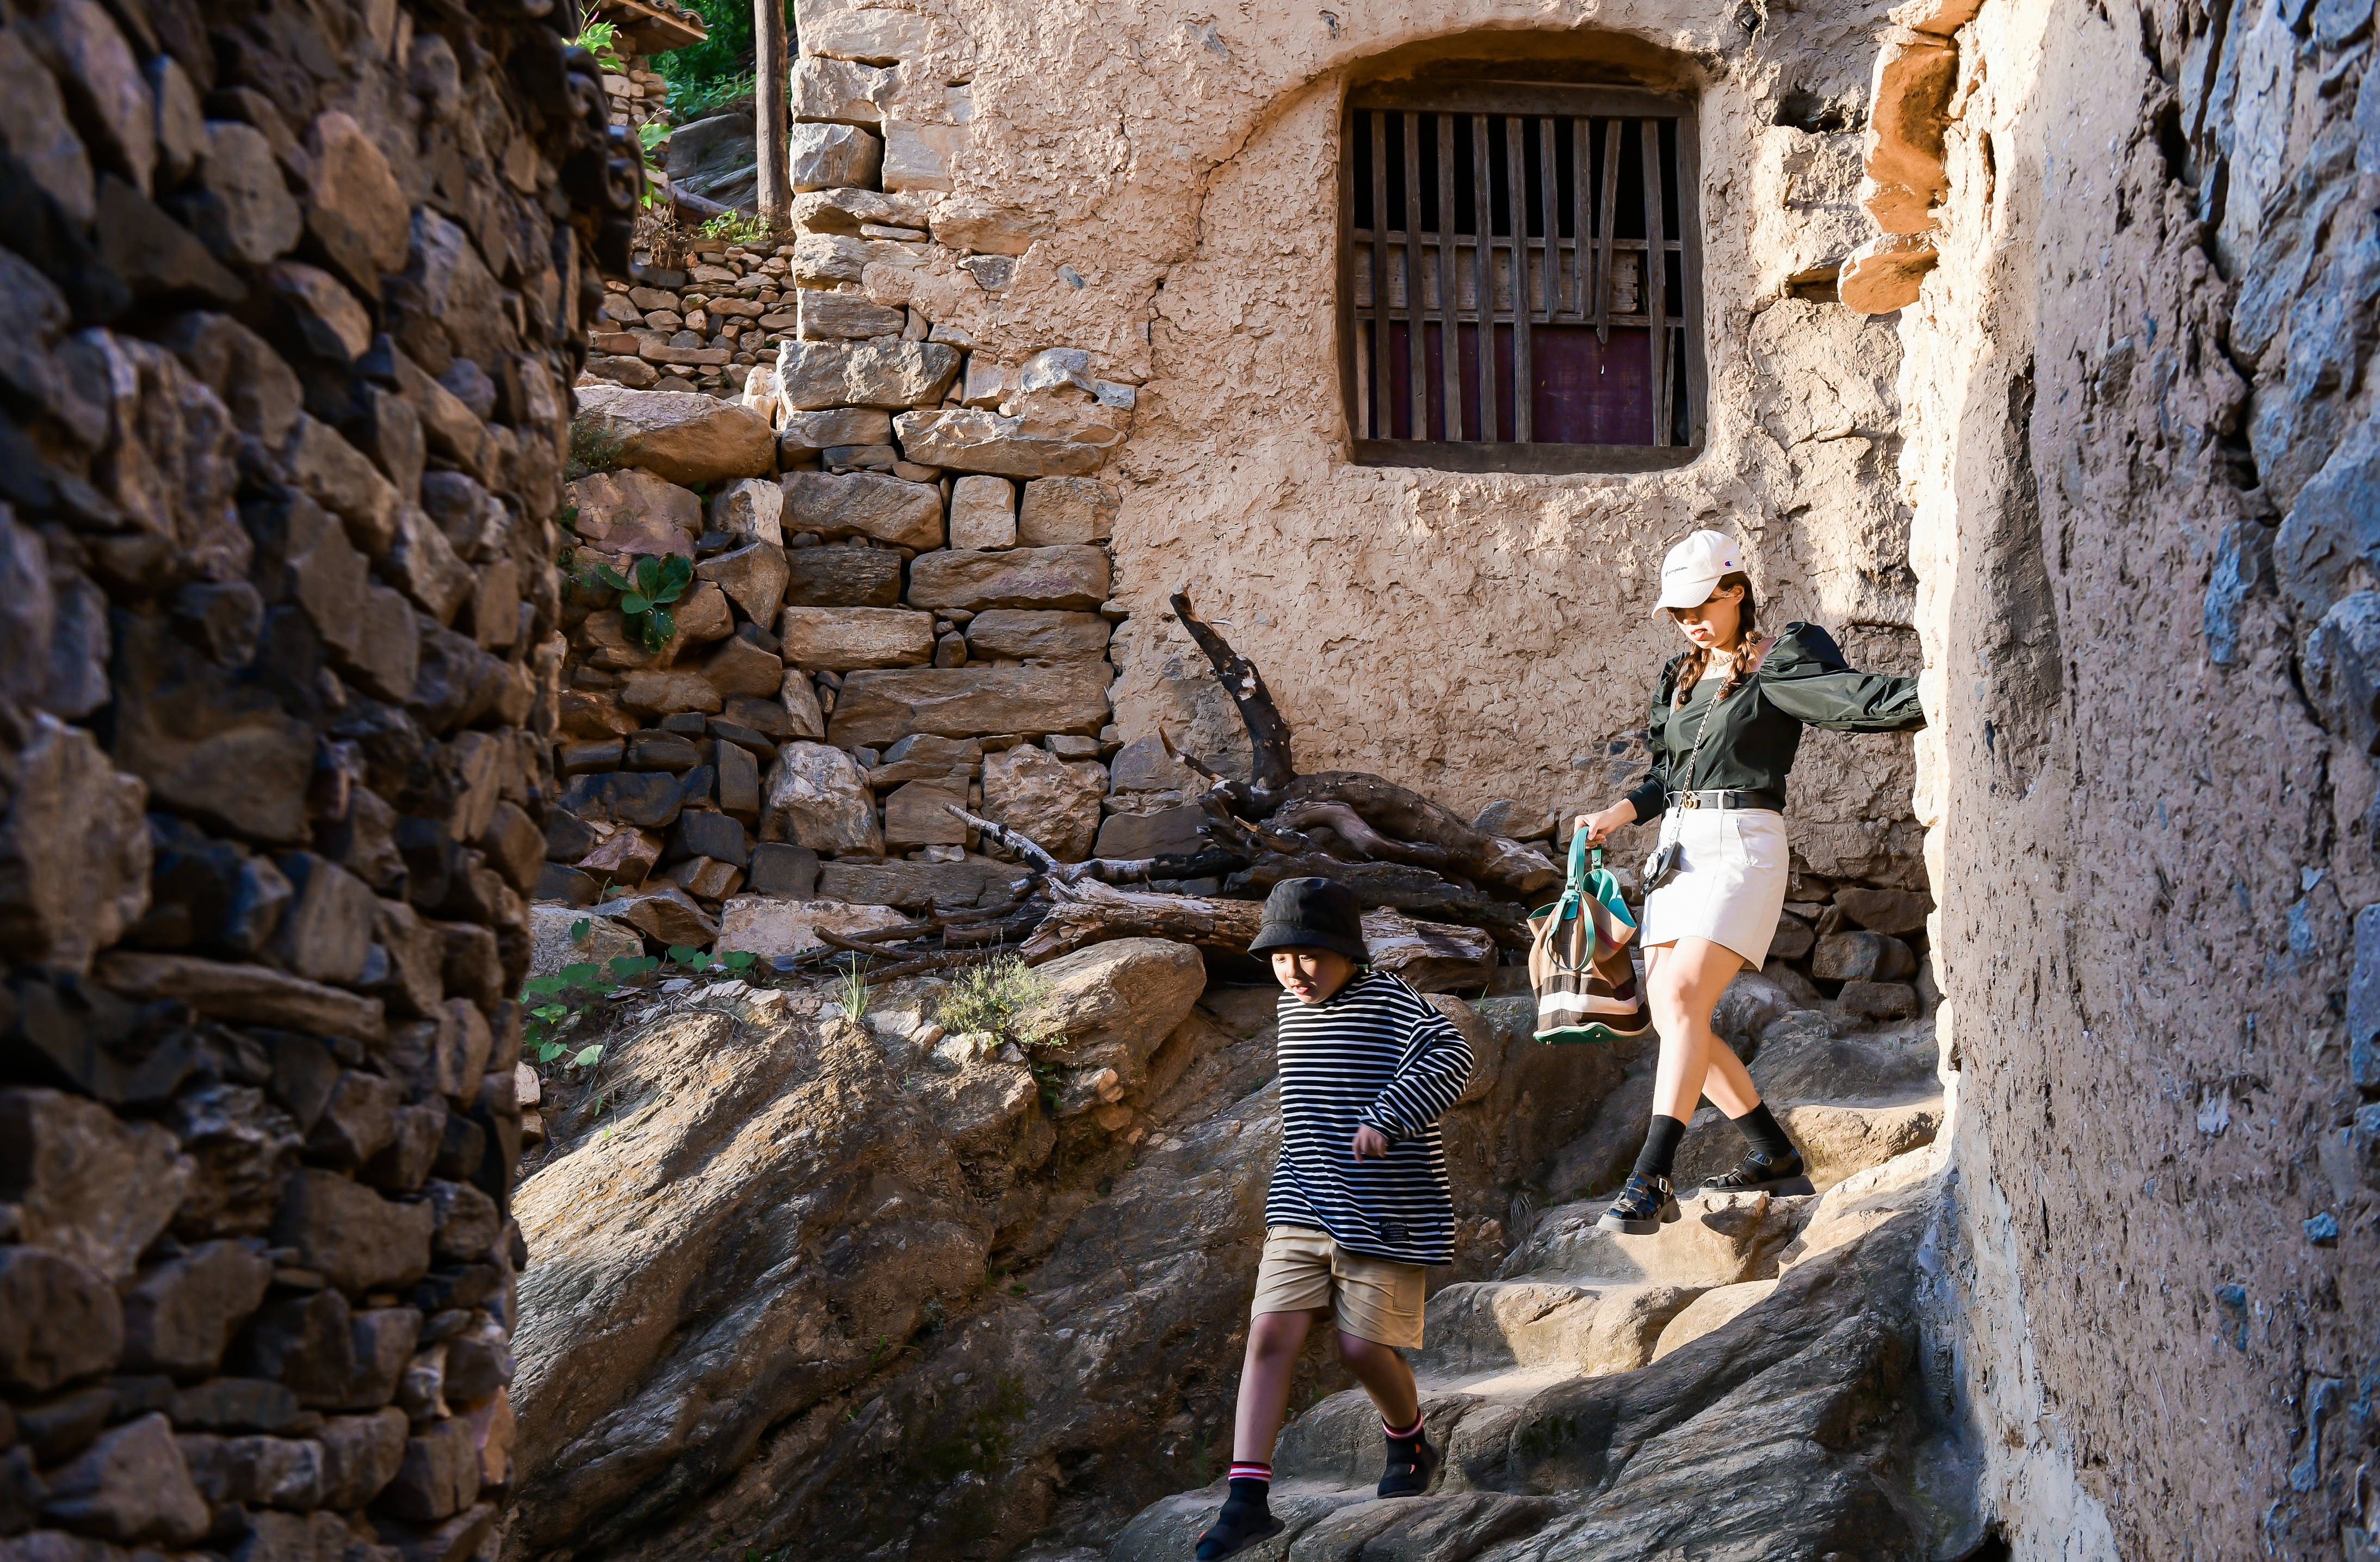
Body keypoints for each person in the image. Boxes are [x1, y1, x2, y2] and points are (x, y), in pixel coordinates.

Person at [1572, 529, 1924, 1235]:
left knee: (1677, 996)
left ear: (1736, 590)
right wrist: (1616, 812)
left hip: (1742, 846)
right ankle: (1771, 1151)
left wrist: (1938, 693)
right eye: (1678, 612)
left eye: (1702, 603)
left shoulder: (1775, 659)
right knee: (1677, 1017)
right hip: (1675, 850)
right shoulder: (1678, 675)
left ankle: (1649, 1176)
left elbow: (1847, 699)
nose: (1691, 621)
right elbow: (1667, 779)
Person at [1194, 878, 1475, 1560]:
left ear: (1349, 953)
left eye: (1311, 956)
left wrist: (1388, 1115)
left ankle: (1408, 1440)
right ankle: (1247, 1500)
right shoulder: (1293, 1007)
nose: (1295, 972)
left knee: (1359, 1349)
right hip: (1302, 1197)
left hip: (1385, 1208)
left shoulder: (1384, 1000)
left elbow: (1453, 1055)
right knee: (1268, 1337)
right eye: (1282, 958)